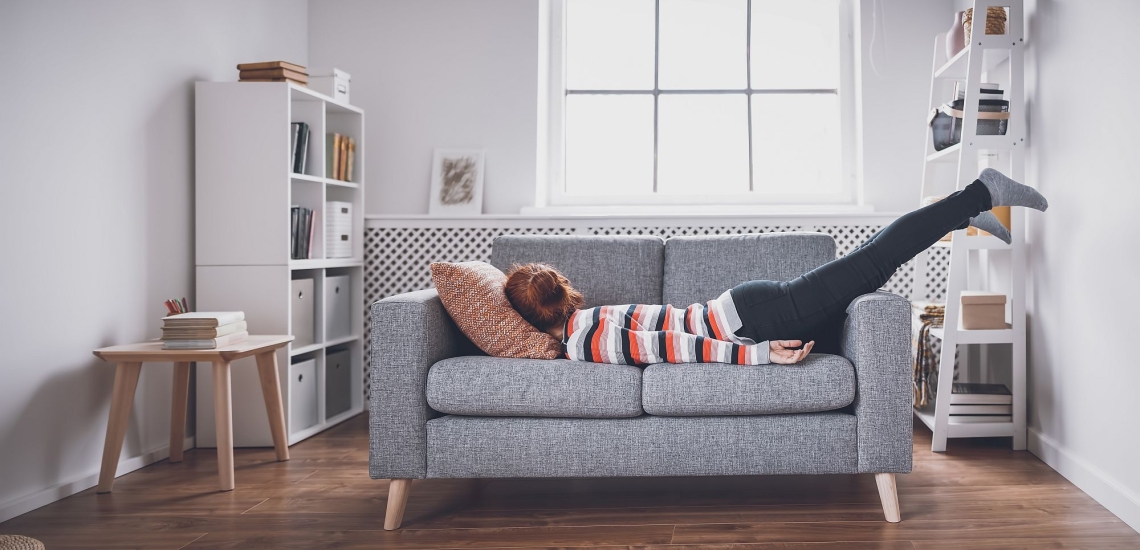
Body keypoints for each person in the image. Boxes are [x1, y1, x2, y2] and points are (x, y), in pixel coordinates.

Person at [504, 168, 1048, 366]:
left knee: (876, 263)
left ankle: (981, 191)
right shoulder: (589, 319)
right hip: (746, 308)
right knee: (858, 297)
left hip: (754, 320)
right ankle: (961, 218)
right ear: (560, 292)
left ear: (527, 321)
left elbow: (678, 349)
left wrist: (760, 355)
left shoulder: (582, 342)